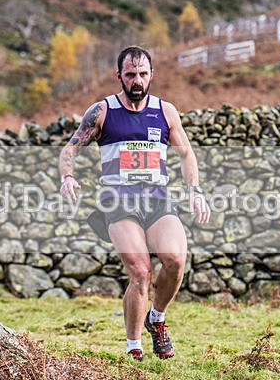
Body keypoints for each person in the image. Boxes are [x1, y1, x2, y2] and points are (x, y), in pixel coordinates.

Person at [59, 46, 211, 361]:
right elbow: (69, 150)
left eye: (142, 74)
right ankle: (133, 346)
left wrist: (195, 190)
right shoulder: (102, 112)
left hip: (157, 200)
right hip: (118, 203)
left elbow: (186, 154)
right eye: (130, 74)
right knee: (141, 271)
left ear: (151, 74)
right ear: (119, 76)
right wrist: (67, 177)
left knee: (175, 261)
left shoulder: (166, 111)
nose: (137, 80)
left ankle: (157, 318)